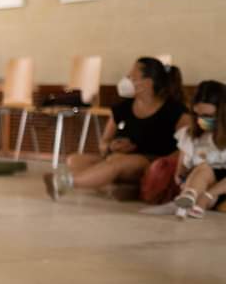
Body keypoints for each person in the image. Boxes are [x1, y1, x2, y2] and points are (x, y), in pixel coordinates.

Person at [45, 57, 189, 200]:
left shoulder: (175, 111)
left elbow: (186, 147)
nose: (127, 80)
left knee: (117, 163)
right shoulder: (123, 108)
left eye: (132, 77)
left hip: (149, 163)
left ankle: (68, 182)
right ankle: (113, 186)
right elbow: (104, 142)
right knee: (74, 160)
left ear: (147, 83)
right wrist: (111, 147)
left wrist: (161, 163)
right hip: (117, 158)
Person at [172, 80, 226, 219]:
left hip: (219, 189)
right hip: (200, 185)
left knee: (205, 170)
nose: (201, 119)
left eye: (208, 116)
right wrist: (182, 178)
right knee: (203, 169)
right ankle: (188, 198)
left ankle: (199, 200)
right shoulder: (189, 134)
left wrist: (209, 194)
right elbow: (180, 170)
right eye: (198, 114)